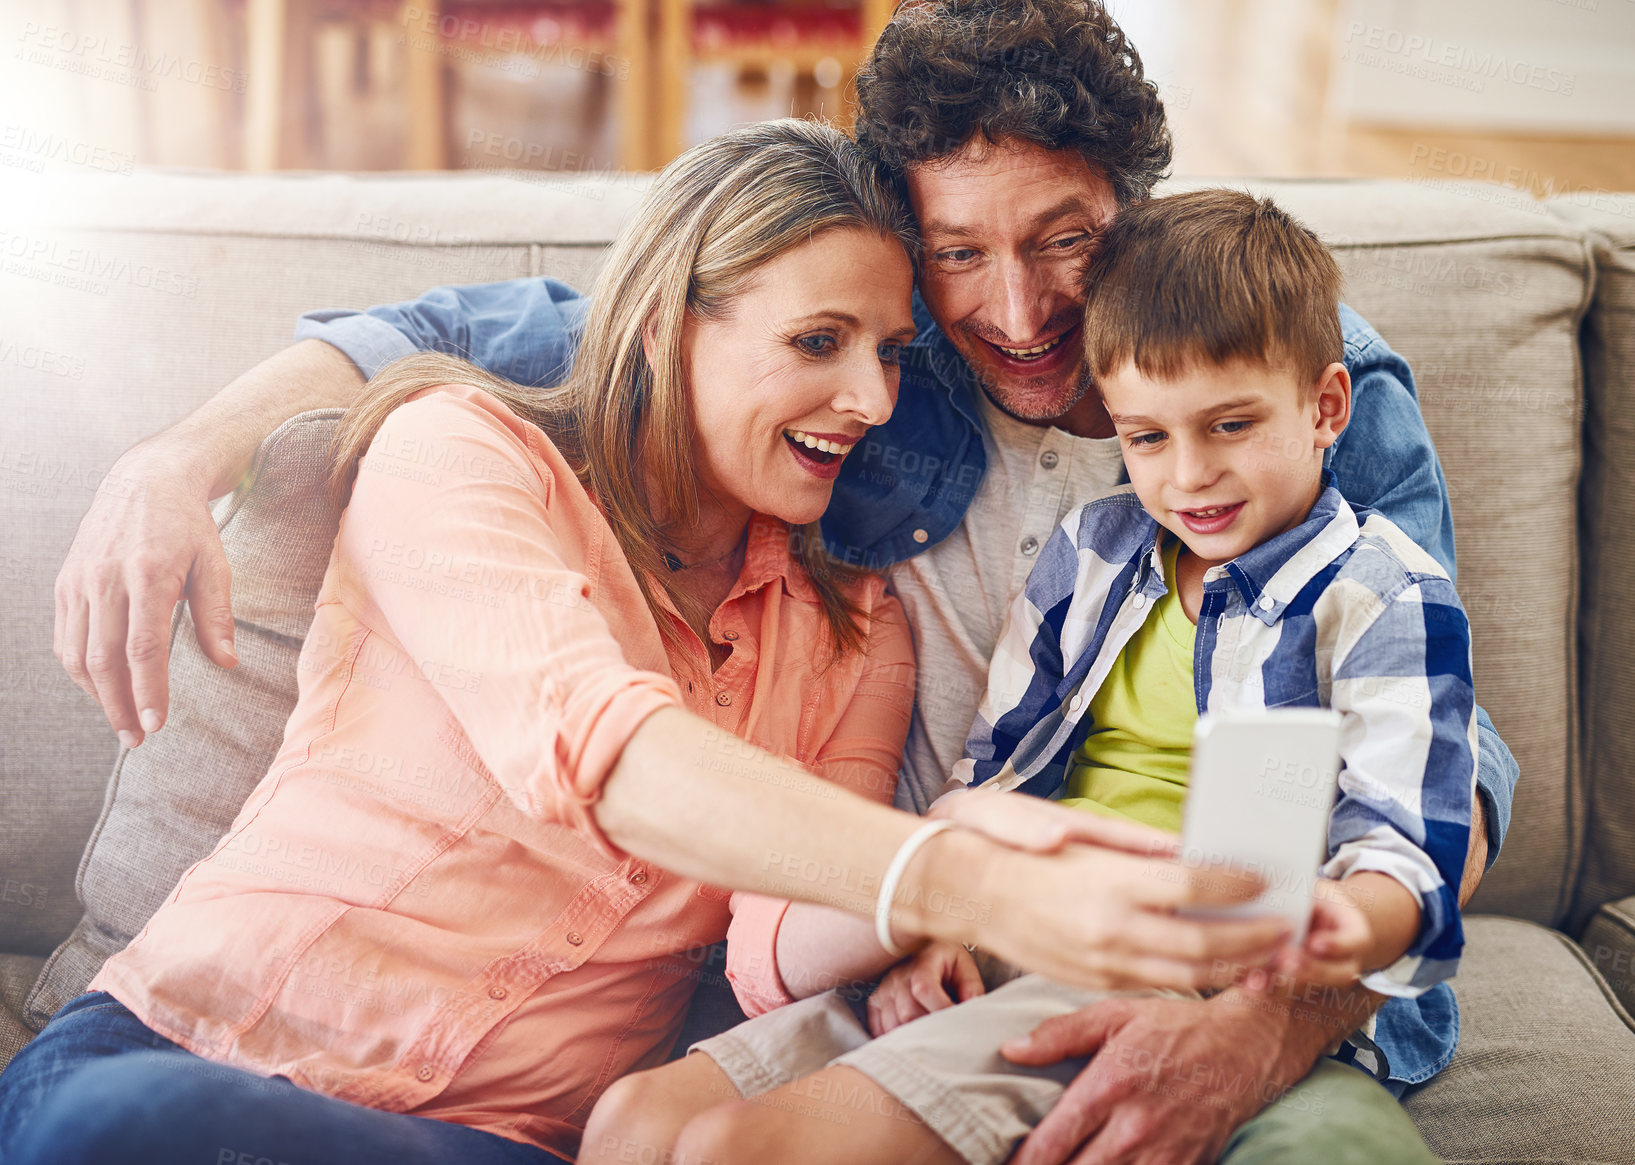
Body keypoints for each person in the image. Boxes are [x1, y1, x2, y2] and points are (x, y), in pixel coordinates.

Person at [52, 0, 1520, 1158]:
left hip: (1225, 952)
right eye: (955, 257)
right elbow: (497, 324)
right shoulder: (854, 390)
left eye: (1064, 243)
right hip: (893, 948)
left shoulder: (1301, 384)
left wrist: (1258, 1018)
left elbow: (1443, 763)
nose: (1014, 315)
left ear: (1128, 213)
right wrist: (177, 458)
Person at [579, 188, 1473, 1165]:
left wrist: (1343, 921)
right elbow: (993, 774)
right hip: (1008, 920)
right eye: (1146, 437)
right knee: (634, 1121)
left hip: (1154, 958)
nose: (1188, 476)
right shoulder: (1093, 551)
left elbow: (1412, 842)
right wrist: (939, 935)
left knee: (736, 1150)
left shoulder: (1381, 595)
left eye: (1229, 426)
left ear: (1326, 408)